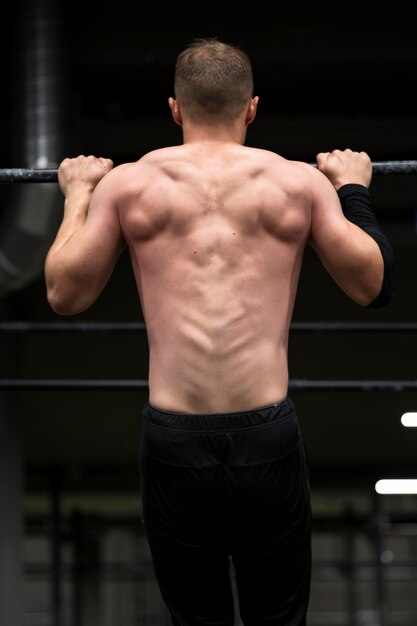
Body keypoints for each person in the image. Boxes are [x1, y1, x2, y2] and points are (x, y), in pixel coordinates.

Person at [45, 38, 394, 626]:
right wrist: (350, 186)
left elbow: (63, 294)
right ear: (253, 108)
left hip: (174, 440)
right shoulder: (296, 183)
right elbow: (373, 286)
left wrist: (78, 195)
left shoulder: (129, 184)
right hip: (267, 437)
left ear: (175, 109)